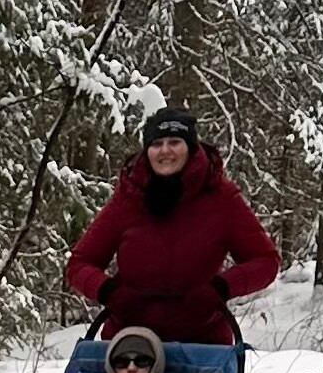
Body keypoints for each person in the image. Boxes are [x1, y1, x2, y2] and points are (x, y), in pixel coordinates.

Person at [66, 106, 280, 344]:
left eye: (174, 142)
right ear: (147, 150)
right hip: (129, 348)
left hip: (203, 345)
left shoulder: (221, 198)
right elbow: (79, 264)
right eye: (156, 144)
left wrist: (221, 288)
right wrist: (109, 291)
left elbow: (265, 261)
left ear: (190, 147)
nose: (165, 151)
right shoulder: (127, 198)